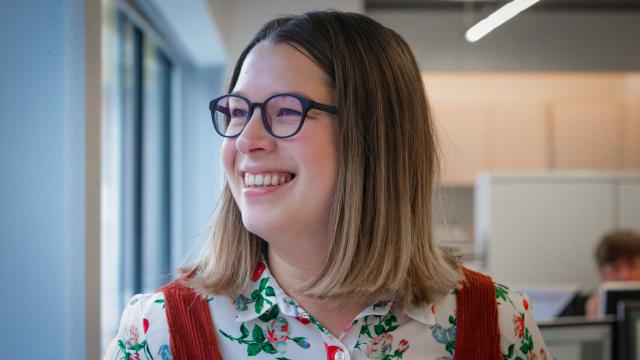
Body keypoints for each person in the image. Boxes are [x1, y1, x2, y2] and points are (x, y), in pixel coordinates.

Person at [104, 11, 549, 359]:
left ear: (374, 135)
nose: (246, 140)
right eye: (238, 111)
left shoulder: (498, 324)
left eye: (284, 111)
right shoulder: (158, 333)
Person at [586, 229, 640, 317]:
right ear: (602, 273)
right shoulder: (594, 304)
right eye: (615, 268)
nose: (625, 275)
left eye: (632, 266)